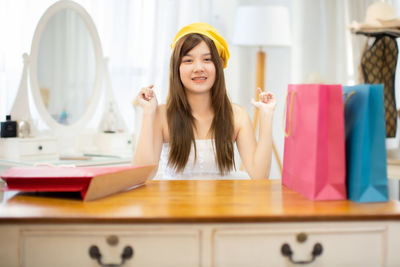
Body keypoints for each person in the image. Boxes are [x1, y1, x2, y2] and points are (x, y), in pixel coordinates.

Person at [133, 22, 276, 180]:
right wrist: (148, 113)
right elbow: (141, 177)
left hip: (223, 203)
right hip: (175, 204)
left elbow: (260, 176)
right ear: (176, 68)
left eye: (207, 59)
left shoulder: (237, 115)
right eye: (188, 61)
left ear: (219, 65)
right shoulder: (162, 115)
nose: (199, 68)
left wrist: (266, 116)